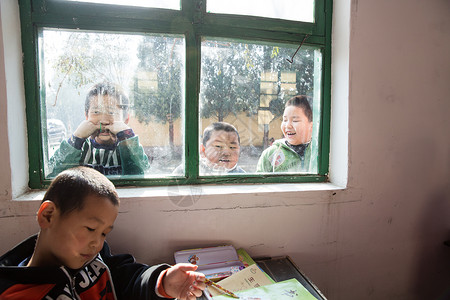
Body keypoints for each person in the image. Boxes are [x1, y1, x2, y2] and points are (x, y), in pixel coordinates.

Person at [0, 167, 205, 300]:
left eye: (104, 234)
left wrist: (163, 281)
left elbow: (127, 280)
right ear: (48, 216)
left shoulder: (95, 261)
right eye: (90, 229)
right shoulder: (16, 294)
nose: (97, 244)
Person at [48, 82, 150, 177]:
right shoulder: (80, 148)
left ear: (126, 119)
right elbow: (54, 174)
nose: (104, 121)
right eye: (96, 112)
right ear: (86, 116)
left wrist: (127, 137)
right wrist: (76, 138)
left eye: (112, 113)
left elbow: (142, 173)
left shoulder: (127, 148)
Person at [256, 95, 315, 173]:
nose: (287, 125)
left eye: (295, 121)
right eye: (285, 120)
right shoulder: (270, 154)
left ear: (311, 125)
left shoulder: (317, 151)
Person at [173, 122, 245, 175]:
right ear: (203, 150)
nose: (226, 153)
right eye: (218, 146)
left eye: (232, 147)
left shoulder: (242, 176)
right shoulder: (185, 172)